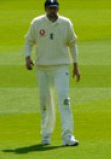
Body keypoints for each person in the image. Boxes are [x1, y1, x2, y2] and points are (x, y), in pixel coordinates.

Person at [23, 0, 80, 147]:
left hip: (61, 67)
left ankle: (68, 136)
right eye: (50, 8)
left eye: (55, 8)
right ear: (45, 9)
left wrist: (75, 65)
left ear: (58, 8)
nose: (52, 11)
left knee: (64, 100)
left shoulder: (66, 23)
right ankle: (46, 136)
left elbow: (72, 44)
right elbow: (29, 41)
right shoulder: (37, 23)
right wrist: (28, 57)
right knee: (45, 102)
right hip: (42, 68)